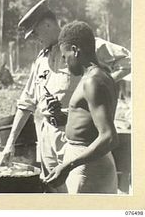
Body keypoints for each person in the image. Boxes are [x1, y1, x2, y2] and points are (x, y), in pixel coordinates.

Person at [0, 0, 130, 192]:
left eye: (34, 33)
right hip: (46, 134)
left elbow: (127, 61)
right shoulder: (41, 59)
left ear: (48, 24)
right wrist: (10, 143)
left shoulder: (83, 43)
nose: (34, 39)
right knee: (52, 192)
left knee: (75, 189)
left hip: (75, 137)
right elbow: (27, 102)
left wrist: (98, 83)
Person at [44, 21, 118, 193]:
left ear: (76, 51)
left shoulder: (92, 82)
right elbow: (91, 122)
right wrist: (64, 117)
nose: (64, 62)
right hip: (90, 161)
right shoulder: (102, 74)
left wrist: (68, 166)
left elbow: (109, 137)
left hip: (89, 166)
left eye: (64, 56)